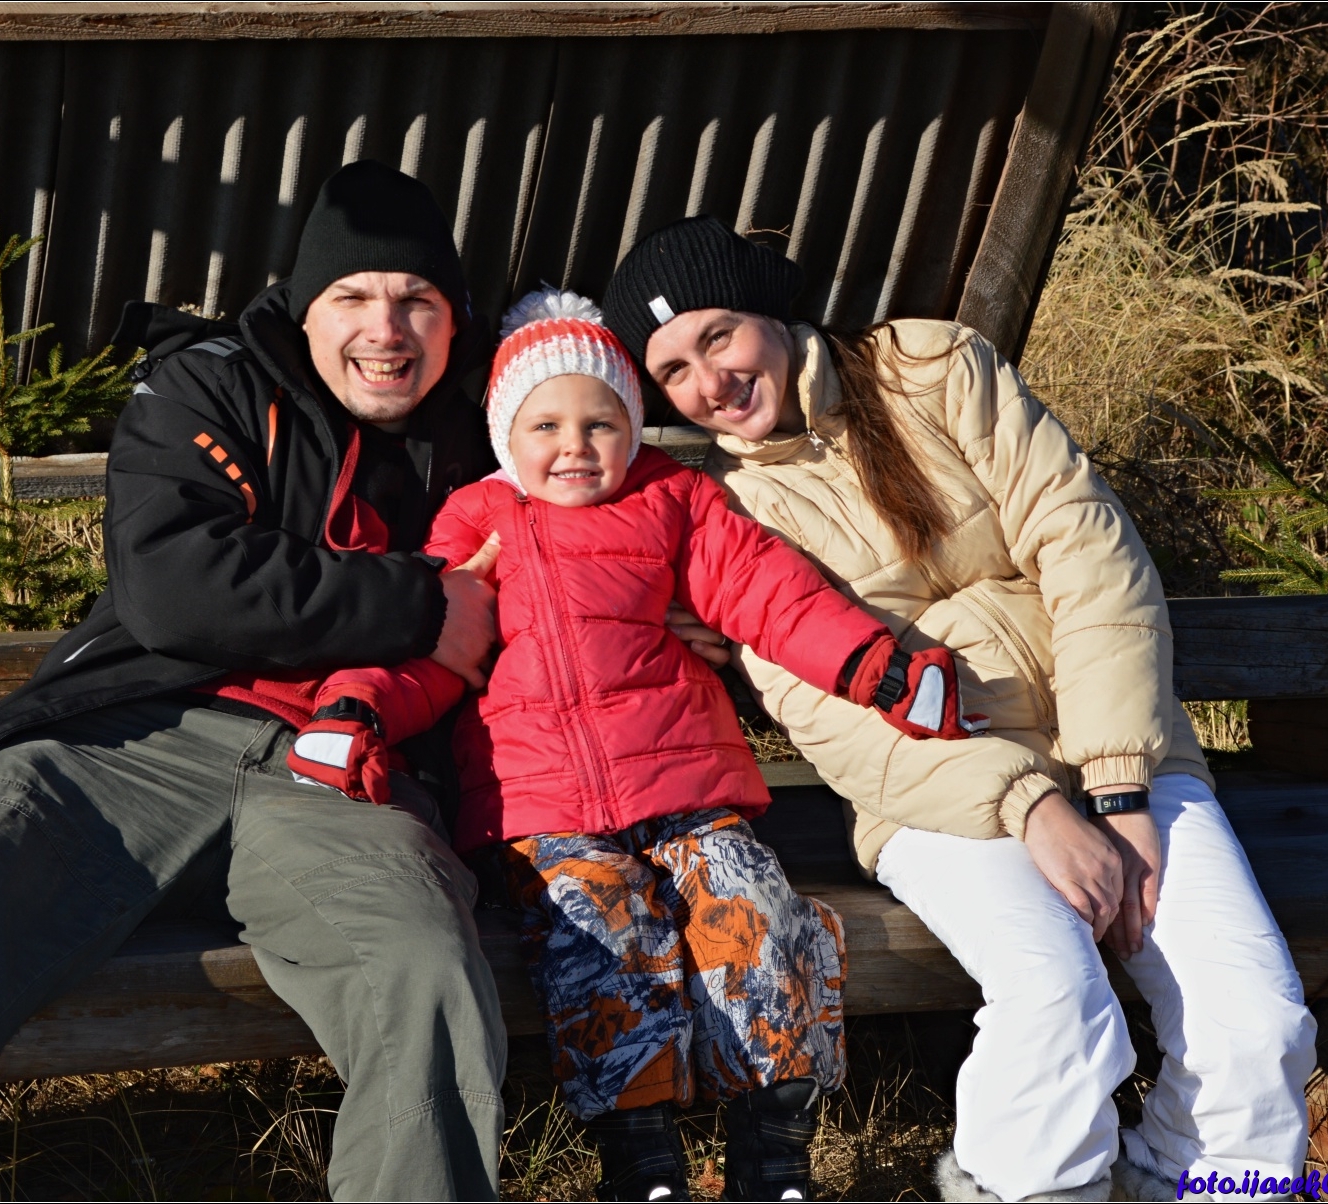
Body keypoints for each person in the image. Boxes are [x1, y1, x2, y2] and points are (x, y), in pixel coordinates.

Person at [599, 217, 1319, 1204]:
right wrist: (1030, 803)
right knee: (1059, 1004)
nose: (708, 382)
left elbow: (1087, 547)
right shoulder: (724, 515)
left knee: (1257, 1026)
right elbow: (834, 722)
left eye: (716, 336)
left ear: (765, 310)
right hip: (937, 796)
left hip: (1116, 749)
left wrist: (1116, 788)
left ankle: (1180, 1180)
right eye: (672, 371)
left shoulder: (931, 371)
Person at [0, 160, 520, 1201]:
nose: (385, 329)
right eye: (351, 296)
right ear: (304, 307)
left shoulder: (492, 425)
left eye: (417, 300)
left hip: (342, 775)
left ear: (455, 317)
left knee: (425, 972)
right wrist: (425, 602)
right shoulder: (209, 384)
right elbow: (176, 588)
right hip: (128, 745)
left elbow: (610, 484)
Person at [284, 287, 981, 1202]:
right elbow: (426, 644)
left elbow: (771, 595)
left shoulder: (673, 500)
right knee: (601, 928)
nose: (575, 446)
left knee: (761, 911)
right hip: (544, 813)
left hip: (687, 791)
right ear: (505, 436)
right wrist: (357, 713)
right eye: (546, 425)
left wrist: (876, 668)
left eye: (601, 423)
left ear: (632, 427)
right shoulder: (479, 521)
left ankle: (773, 1155)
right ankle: (640, 1161)